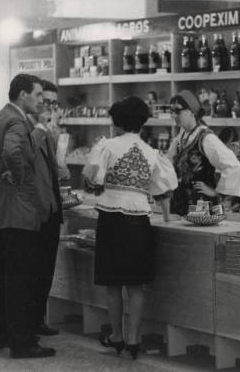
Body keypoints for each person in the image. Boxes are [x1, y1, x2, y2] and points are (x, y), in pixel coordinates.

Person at [82, 96, 177, 360]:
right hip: (139, 220)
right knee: (136, 285)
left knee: (113, 283)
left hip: (111, 218)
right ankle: (135, 339)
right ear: (142, 121)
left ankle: (117, 336)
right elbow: (163, 189)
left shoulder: (107, 146)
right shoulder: (151, 152)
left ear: (117, 120)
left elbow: (92, 178)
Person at [0, 74, 56, 359]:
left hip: (3, 209)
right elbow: (14, 152)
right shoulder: (16, 121)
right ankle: (22, 341)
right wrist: (19, 173)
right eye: (38, 95)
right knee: (20, 278)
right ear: (23, 95)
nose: (41, 100)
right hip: (19, 211)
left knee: (0, 276)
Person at [27, 79, 69, 337]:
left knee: (46, 269)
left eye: (54, 102)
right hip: (35, 210)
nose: (50, 107)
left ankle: (38, 318)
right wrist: (43, 129)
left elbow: (52, 164)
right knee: (33, 269)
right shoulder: (27, 128)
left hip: (52, 207)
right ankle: (29, 322)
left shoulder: (49, 129)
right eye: (46, 101)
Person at [168, 90, 240, 215]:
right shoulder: (181, 136)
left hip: (201, 206)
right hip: (180, 204)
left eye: (177, 111)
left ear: (191, 111)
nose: (174, 115)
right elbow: (168, 161)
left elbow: (234, 167)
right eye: (172, 112)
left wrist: (215, 192)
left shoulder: (206, 138)